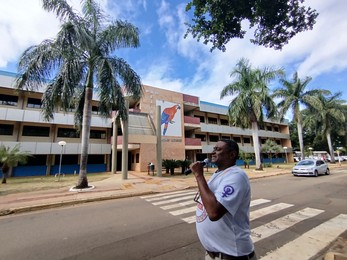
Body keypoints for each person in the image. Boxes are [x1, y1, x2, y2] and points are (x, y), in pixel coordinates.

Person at [189, 139, 256, 260]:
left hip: (231, 255)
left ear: (232, 154)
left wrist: (199, 175)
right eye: (214, 149)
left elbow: (214, 213)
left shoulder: (236, 176)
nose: (213, 152)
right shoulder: (218, 174)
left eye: (218, 149)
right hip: (213, 254)